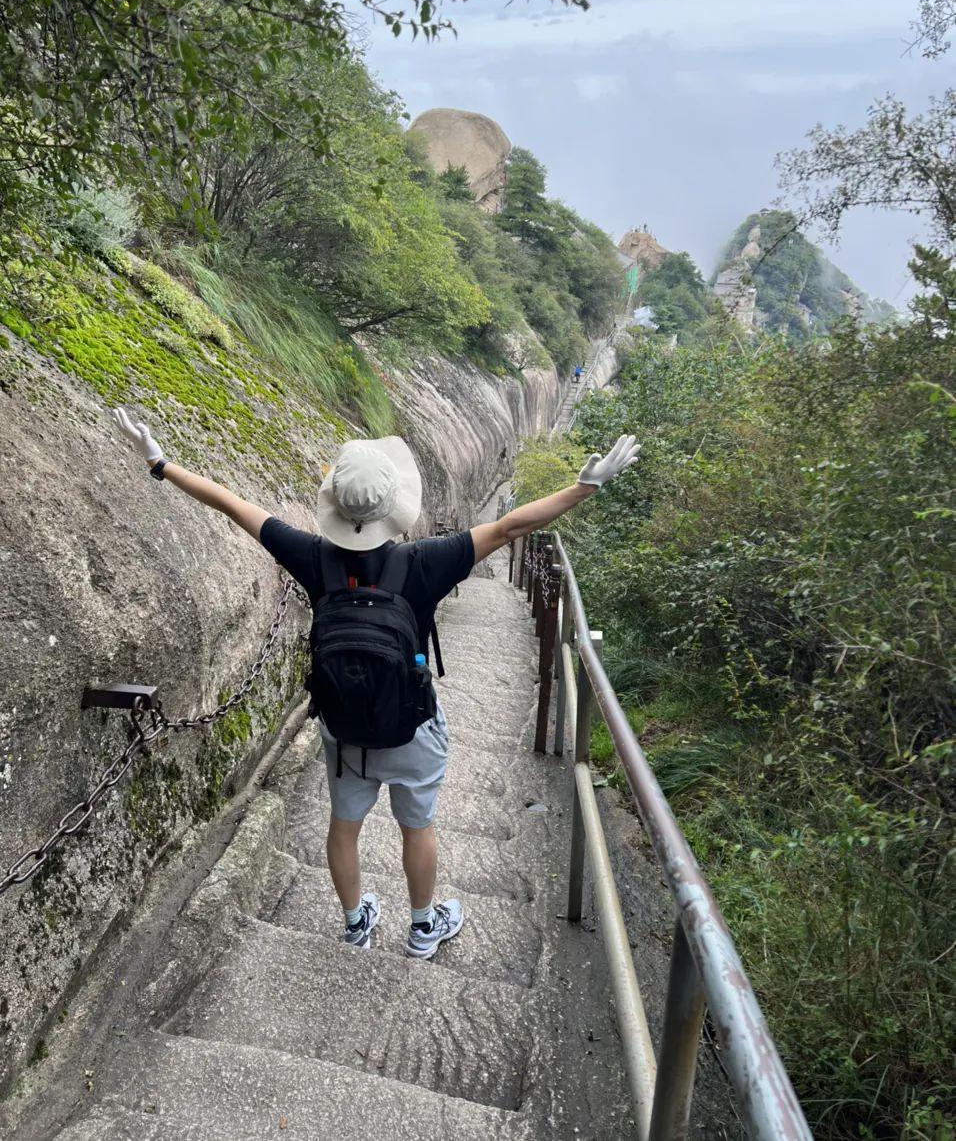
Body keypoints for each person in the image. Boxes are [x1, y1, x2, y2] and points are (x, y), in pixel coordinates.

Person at [112, 408, 639, 955]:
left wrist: (160, 462)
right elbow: (512, 526)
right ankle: (421, 928)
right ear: (392, 508)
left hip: (346, 733)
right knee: (418, 828)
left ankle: (356, 923)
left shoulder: (310, 556)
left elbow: (230, 503)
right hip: (412, 727)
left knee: (344, 826)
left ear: (334, 505)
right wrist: (584, 488)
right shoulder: (427, 561)